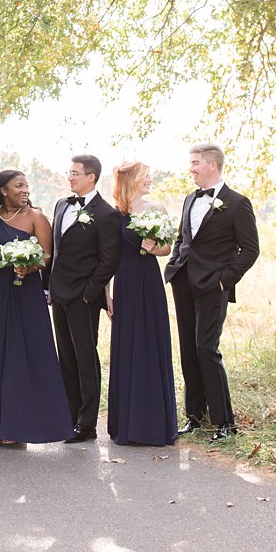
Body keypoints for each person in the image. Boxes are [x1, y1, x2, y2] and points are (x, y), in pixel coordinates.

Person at [164, 143, 260, 442]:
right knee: (189, 351)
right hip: (184, 283)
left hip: (212, 287)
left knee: (207, 349)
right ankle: (195, 418)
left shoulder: (237, 203)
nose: (190, 168)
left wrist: (224, 281)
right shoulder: (190, 199)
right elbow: (183, 238)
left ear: (212, 165)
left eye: (194, 163)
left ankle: (226, 424)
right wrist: (174, 264)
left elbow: (250, 250)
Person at [0, 168, 74, 444]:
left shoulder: (36, 217)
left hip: (27, 294)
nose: (25, 190)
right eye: (18, 186)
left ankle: (28, 425)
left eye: (26, 186)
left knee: (29, 354)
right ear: (3, 190)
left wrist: (28, 268)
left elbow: (46, 255)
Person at [107, 160, 180, 447]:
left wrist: (155, 247)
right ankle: (127, 424)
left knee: (150, 343)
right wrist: (107, 293)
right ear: (129, 180)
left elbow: (167, 248)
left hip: (148, 282)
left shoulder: (156, 208)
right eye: (145, 176)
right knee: (127, 348)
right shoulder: (115, 214)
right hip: (124, 282)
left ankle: (153, 424)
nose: (150, 179)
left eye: (150, 175)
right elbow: (108, 257)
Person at [49, 153, 121, 443]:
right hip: (59, 294)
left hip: (83, 298)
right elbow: (56, 251)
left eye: (75, 173)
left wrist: (89, 294)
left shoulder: (106, 214)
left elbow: (108, 260)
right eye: (69, 172)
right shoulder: (61, 206)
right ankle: (69, 416)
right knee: (65, 357)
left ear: (91, 177)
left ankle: (87, 424)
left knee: (85, 357)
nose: (70, 177)